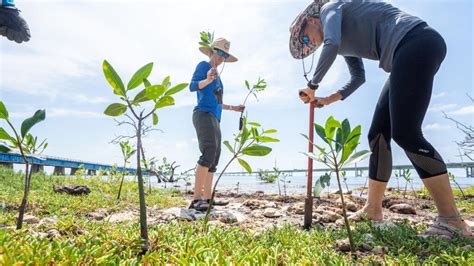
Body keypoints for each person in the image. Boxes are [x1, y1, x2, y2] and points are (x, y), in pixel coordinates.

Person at [289, 0, 472, 239]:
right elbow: (358, 77)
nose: (310, 46)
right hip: (404, 55)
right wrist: (327, 99)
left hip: (416, 41)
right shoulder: (342, 42)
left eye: (305, 40)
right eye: (307, 48)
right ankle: (373, 209)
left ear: (310, 20)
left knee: (407, 133)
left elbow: (331, 43)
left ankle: (452, 220)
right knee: (378, 134)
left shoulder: (329, 8)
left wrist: (312, 85)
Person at [189, 37, 245, 211]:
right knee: (208, 152)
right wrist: (207, 79)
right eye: (219, 53)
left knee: (215, 157)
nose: (221, 58)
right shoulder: (204, 66)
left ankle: (207, 198)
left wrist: (234, 108)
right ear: (212, 51)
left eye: (225, 56)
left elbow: (218, 102)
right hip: (203, 114)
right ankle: (196, 199)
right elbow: (192, 86)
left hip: (215, 118)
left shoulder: (219, 78)